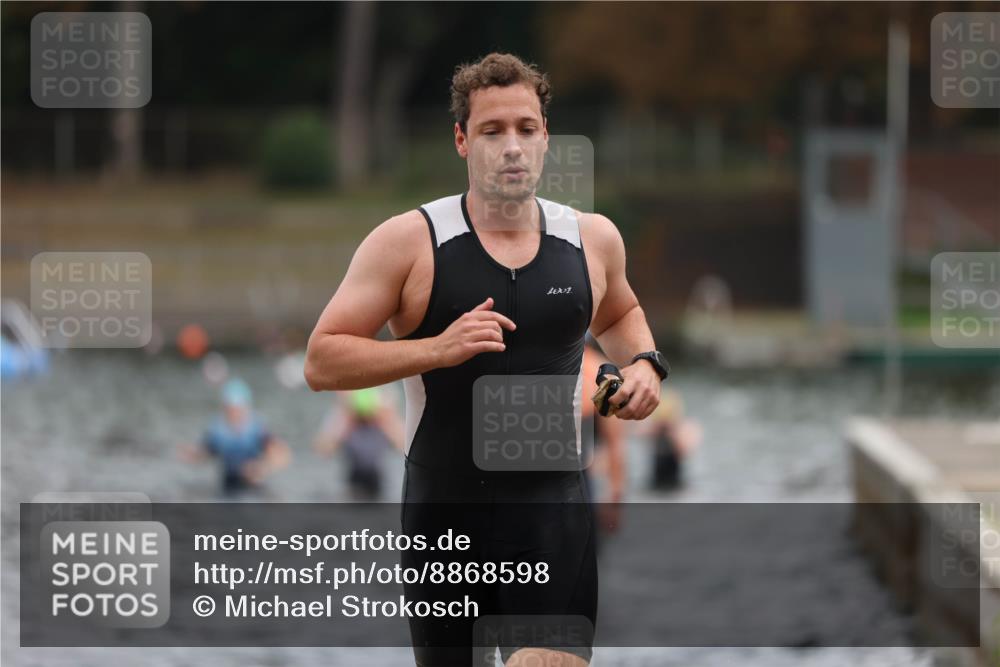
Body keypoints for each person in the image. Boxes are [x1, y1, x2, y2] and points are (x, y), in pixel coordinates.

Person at [305, 52, 669, 667]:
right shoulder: (410, 242)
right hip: (445, 517)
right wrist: (437, 348)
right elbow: (322, 360)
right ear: (461, 140)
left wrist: (645, 367)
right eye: (492, 131)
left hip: (551, 515)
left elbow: (621, 317)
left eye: (526, 129)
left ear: (547, 137)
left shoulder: (591, 239)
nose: (512, 148)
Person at [179, 378, 290, 497]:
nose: (234, 413)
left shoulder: (257, 428)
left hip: (253, 485)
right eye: (230, 408)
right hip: (227, 484)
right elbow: (205, 452)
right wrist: (191, 454)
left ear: (246, 407)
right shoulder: (217, 429)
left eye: (237, 409)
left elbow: (283, 456)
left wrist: (262, 467)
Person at [313, 387, 404, 500]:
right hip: (353, 480)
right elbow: (323, 450)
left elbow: (404, 447)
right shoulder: (344, 419)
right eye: (361, 417)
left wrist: (387, 421)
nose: (365, 420)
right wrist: (344, 425)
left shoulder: (384, 419)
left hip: (377, 481)